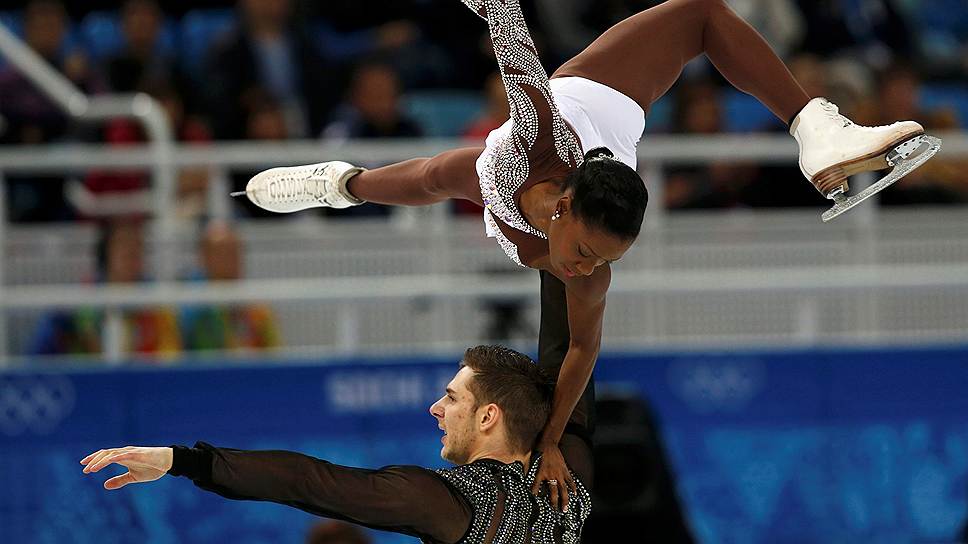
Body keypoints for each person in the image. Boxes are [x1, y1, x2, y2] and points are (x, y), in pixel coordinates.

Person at [237, 0, 935, 509]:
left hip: (597, 154)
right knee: (424, 178)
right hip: (548, 147)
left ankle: (815, 130)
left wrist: (549, 441)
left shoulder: (588, 266)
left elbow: (579, 353)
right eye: (586, 254)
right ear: (565, 209)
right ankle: (337, 182)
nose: (586, 269)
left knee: (702, 16)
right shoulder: (534, 133)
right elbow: (512, 39)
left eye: (602, 261)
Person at [80, 345, 591, 543]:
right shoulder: (574, 483)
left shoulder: (456, 505)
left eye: (452, 398)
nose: (436, 408)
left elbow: (309, 483)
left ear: (488, 416)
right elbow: (575, 348)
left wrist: (179, 460)